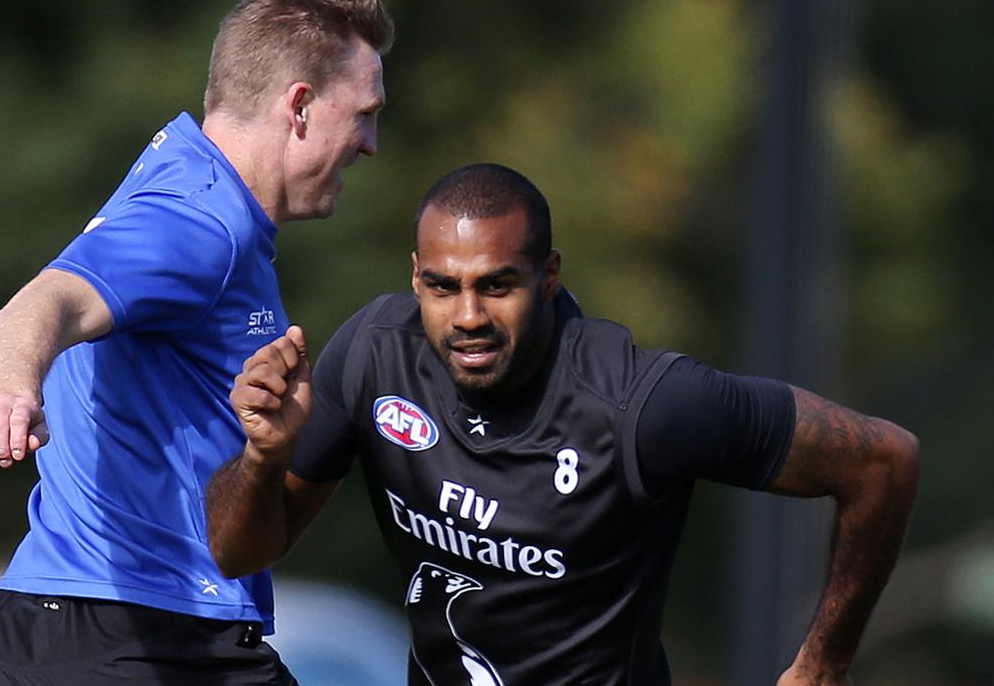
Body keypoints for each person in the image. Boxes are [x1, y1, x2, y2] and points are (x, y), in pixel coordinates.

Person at [206, 163, 920, 686]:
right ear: (416, 275)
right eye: (442, 287)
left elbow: (884, 462)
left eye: (498, 284)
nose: (468, 317)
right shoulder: (372, 355)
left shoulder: (644, 403)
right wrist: (263, 458)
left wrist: (823, 662)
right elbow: (238, 554)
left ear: (548, 276)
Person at [0, 0, 393, 685]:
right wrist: (9, 394)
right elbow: (45, 302)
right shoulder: (201, 224)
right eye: (365, 114)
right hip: (129, 641)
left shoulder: (188, 178)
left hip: (69, 634)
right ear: (301, 106)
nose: (370, 143)